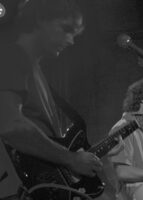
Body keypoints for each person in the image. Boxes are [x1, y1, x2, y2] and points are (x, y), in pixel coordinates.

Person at [0, 0, 122, 191]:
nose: (71, 40)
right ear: (40, 19)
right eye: (66, 29)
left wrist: (88, 157)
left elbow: (44, 135)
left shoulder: (33, 69)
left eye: (74, 34)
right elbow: (10, 124)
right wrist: (70, 158)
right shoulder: (13, 56)